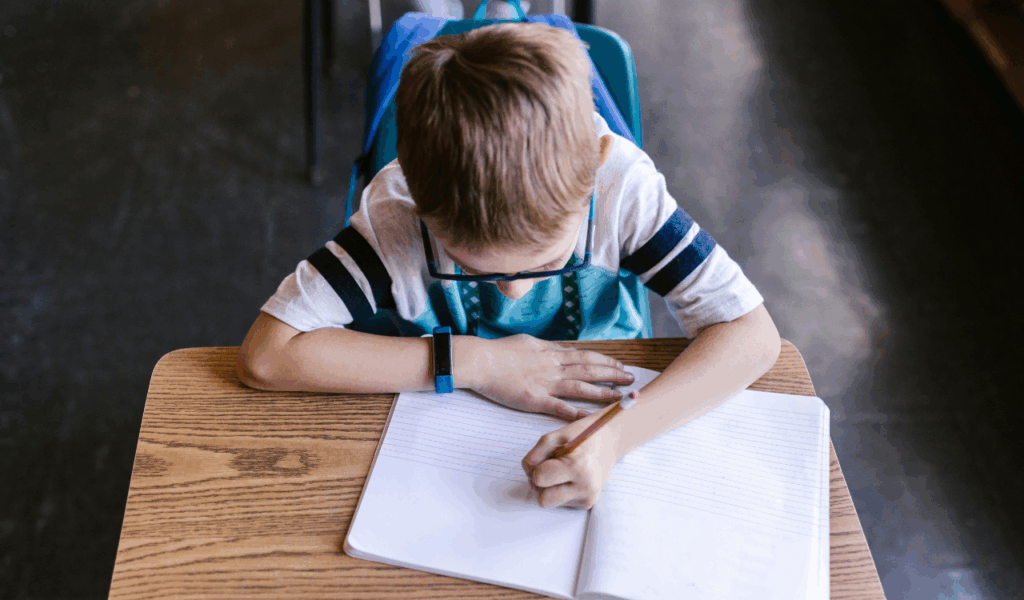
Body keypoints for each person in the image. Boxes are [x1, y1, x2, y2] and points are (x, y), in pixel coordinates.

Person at [237, 23, 781, 511]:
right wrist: (478, 363)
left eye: (548, 261)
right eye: (468, 266)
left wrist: (615, 435)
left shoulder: (621, 188)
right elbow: (266, 354)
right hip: (447, 407)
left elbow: (751, 335)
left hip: (604, 394)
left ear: (595, 169)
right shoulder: (397, 218)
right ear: (418, 202)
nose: (514, 295)